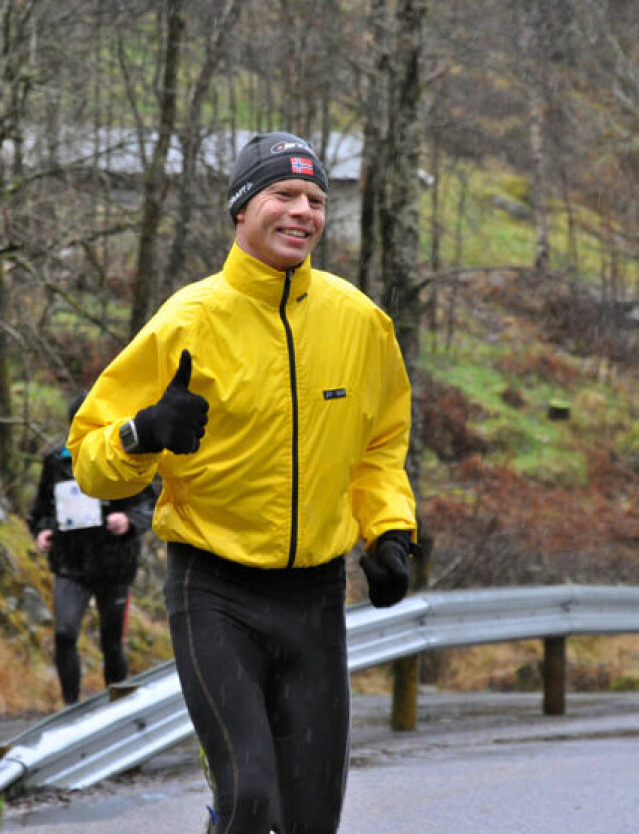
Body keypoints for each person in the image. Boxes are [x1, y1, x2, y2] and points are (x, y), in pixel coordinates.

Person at [67, 132, 417, 833]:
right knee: (250, 798)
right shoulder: (188, 320)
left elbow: (380, 447)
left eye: (315, 199)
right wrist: (144, 433)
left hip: (315, 597)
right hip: (215, 592)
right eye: (282, 195)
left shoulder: (360, 322)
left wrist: (389, 531)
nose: (302, 212)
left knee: (312, 822)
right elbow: (89, 457)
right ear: (241, 209)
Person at [28, 391, 156, 706]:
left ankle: (120, 712)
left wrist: (128, 520)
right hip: (70, 563)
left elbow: (151, 503)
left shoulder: (127, 453)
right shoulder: (55, 460)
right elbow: (41, 508)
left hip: (115, 564)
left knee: (112, 643)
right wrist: (43, 530)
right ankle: (71, 708)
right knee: (65, 634)